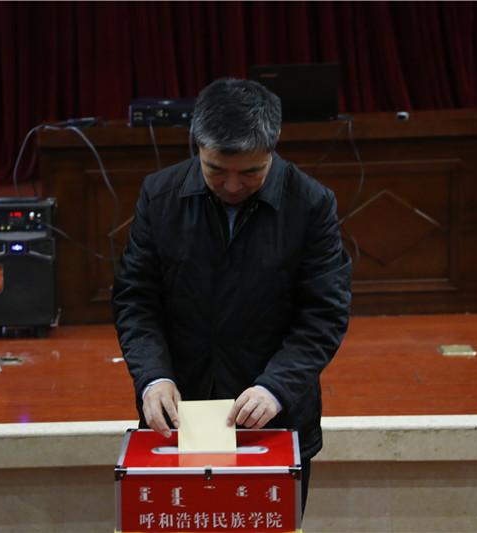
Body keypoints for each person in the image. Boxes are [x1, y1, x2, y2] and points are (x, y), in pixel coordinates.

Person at [112, 77, 352, 515]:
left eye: (250, 173)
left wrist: (276, 388)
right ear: (198, 146)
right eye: (216, 170)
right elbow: (136, 299)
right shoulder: (160, 196)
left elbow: (323, 316)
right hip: (178, 412)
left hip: (273, 415)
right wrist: (152, 377)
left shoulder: (311, 205)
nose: (233, 186)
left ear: (273, 148)